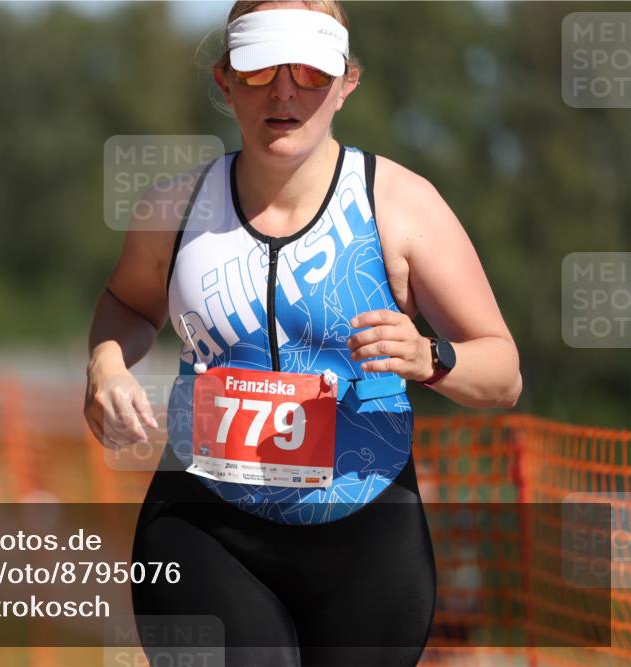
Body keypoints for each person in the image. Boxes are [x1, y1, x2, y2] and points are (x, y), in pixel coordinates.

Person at [84, 1, 522, 665]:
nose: (285, 92)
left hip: (367, 537)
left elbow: (504, 374)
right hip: (202, 523)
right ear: (226, 81)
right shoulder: (174, 209)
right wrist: (106, 367)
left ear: (347, 83)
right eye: (260, 71)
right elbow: (126, 305)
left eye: (310, 72)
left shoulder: (402, 206)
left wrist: (430, 356)